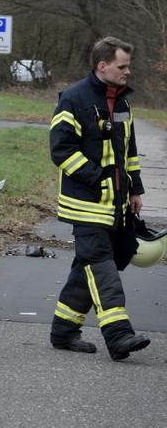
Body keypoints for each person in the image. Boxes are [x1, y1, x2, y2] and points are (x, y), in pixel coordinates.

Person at [48, 37, 150, 360]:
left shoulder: (121, 102)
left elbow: (128, 151)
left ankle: (63, 330)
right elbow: (61, 149)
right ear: (102, 65)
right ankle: (119, 335)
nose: (128, 72)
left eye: (128, 66)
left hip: (116, 204)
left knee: (87, 267)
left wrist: (135, 189)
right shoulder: (74, 99)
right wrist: (97, 178)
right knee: (102, 265)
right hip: (85, 204)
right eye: (122, 66)